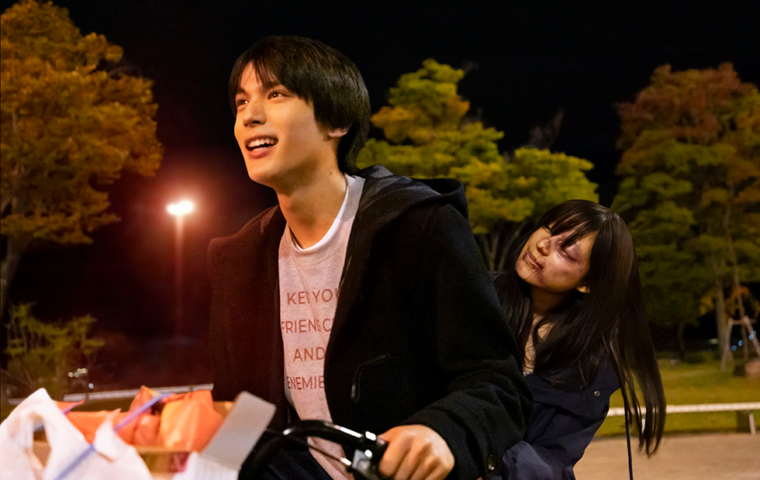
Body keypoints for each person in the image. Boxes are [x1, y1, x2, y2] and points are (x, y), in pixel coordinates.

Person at [207, 36, 531, 480]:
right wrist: (201, 469)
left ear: (338, 120)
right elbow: (242, 409)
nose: (249, 115)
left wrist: (442, 432)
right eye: (242, 102)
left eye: (276, 94)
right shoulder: (238, 261)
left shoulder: (418, 226)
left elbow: (497, 382)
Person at [493, 200, 666, 480]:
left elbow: (550, 462)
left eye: (566, 251)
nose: (543, 245)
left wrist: (479, 459)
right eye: (548, 229)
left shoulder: (592, 368)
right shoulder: (471, 299)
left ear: (588, 283)